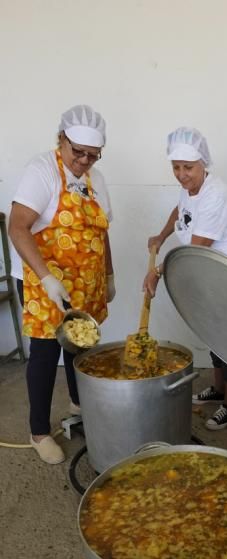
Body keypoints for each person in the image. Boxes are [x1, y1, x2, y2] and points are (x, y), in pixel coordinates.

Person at [8, 105, 115, 464]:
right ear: (61, 140)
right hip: (45, 284)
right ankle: (39, 431)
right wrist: (48, 278)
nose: (85, 161)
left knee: (80, 346)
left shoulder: (95, 179)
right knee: (45, 354)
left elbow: (103, 230)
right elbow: (17, 227)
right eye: (78, 152)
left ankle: (79, 404)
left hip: (85, 282)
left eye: (93, 155)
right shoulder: (42, 171)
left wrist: (109, 275)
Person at [144, 127, 227, 430]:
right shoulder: (191, 188)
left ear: (204, 163)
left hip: (226, 278)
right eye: (176, 167)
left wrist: (157, 270)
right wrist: (161, 235)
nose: (181, 174)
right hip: (206, 274)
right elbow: (180, 210)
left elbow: (195, 248)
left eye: (188, 167)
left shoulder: (216, 196)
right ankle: (217, 389)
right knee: (212, 334)